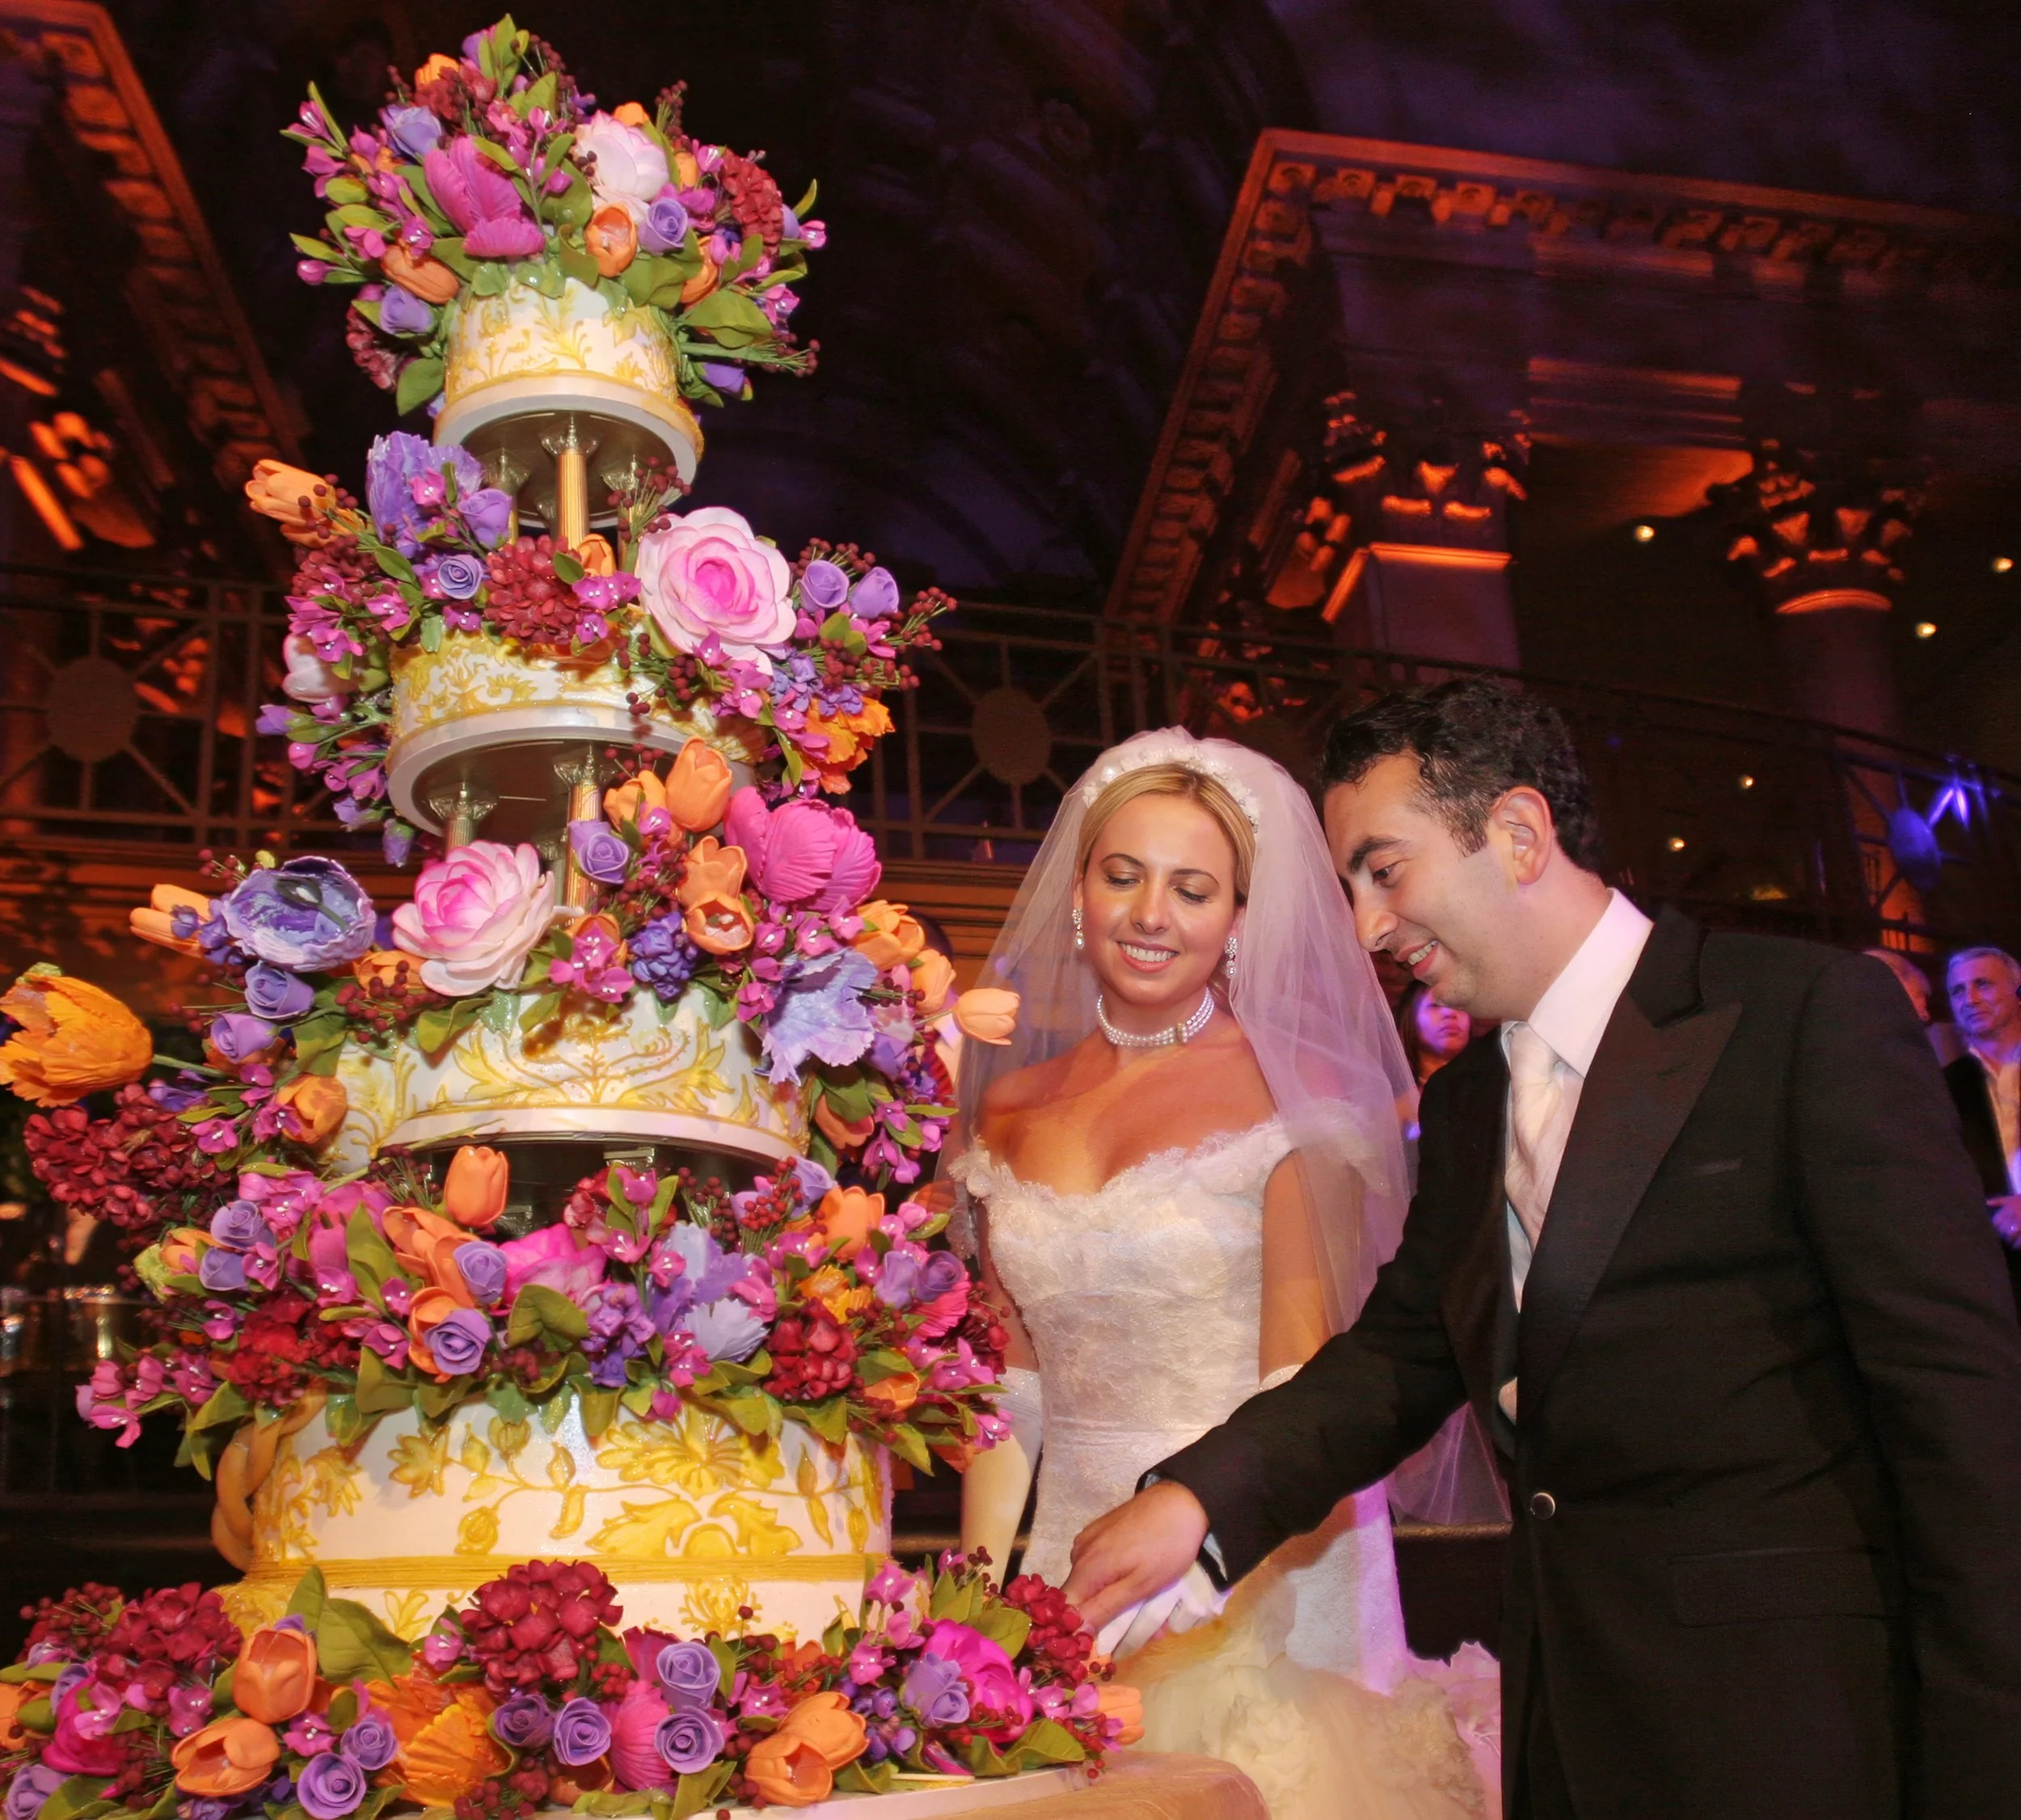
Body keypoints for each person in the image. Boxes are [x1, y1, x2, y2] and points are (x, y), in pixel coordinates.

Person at [1063, 680, 2021, 1820]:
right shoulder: (1470, 1100)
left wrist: (1986, 1758)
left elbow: (1961, 1416)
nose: (1369, 927)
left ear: (1517, 833)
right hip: (1567, 1717)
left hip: (1789, 1725)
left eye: (1386, 868)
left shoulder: (1800, 1015)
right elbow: (1404, 1350)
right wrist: (1198, 1502)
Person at [949, 729, 1497, 1820]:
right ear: (1078, 894)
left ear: (1240, 919)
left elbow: (1305, 1383)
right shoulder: (1006, 1104)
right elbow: (1012, 1376)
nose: (1153, 913)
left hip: (1263, 1554)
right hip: (1067, 1546)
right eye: (1124, 875)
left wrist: (1203, 1556)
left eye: (1193, 888)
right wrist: (975, 1592)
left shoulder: (1294, 1100)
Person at [1942, 945, 2021, 1314]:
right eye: (1958, 991)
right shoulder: (1941, 1086)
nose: (1970, 998)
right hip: (1995, 1280)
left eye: (1983, 984)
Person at [1399, 981, 1474, 1087]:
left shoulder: (1493, 1087)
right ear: (1411, 1019)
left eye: (1459, 1006)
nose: (1450, 1013)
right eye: (1435, 1006)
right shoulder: (1394, 1099)